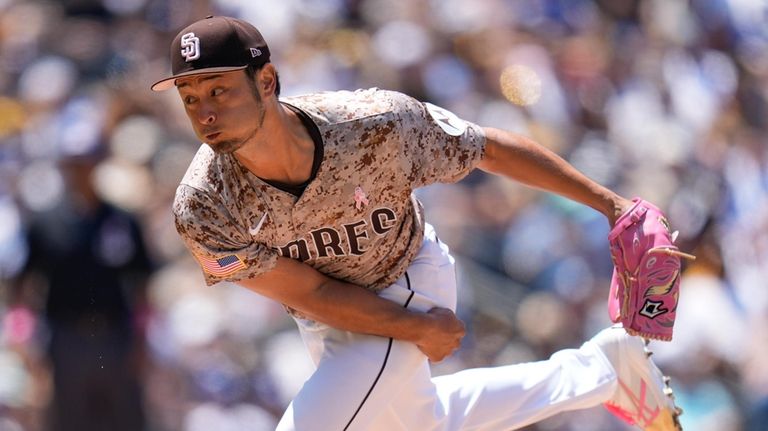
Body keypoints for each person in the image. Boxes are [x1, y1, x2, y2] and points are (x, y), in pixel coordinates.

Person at [152, 15, 682, 430]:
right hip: (329, 317)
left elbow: (486, 149)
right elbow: (311, 291)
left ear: (266, 80)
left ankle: (606, 373)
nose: (205, 112)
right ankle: (605, 373)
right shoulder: (203, 205)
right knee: (426, 422)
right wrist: (414, 331)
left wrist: (611, 206)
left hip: (406, 276)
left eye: (218, 89)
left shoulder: (370, 124)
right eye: (191, 97)